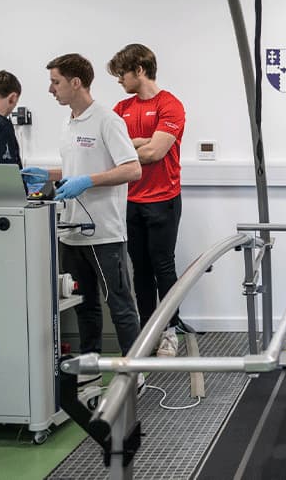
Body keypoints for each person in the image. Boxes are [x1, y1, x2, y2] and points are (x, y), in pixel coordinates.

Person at [22, 54, 143, 391]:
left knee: (119, 306)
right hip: (71, 231)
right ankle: (90, 369)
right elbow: (75, 169)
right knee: (83, 306)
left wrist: (87, 181)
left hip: (104, 232)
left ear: (76, 82)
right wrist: (47, 175)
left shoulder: (107, 120)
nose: (50, 89)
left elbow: (132, 169)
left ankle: (134, 373)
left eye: (56, 81)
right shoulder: (69, 123)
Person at [108, 44, 187, 358]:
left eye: (121, 74)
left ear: (139, 70)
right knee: (139, 269)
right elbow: (112, 151)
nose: (119, 81)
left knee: (163, 267)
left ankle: (170, 330)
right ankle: (147, 330)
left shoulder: (171, 105)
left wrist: (132, 146)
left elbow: (156, 153)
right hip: (130, 199)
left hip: (163, 199)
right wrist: (142, 142)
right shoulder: (120, 109)